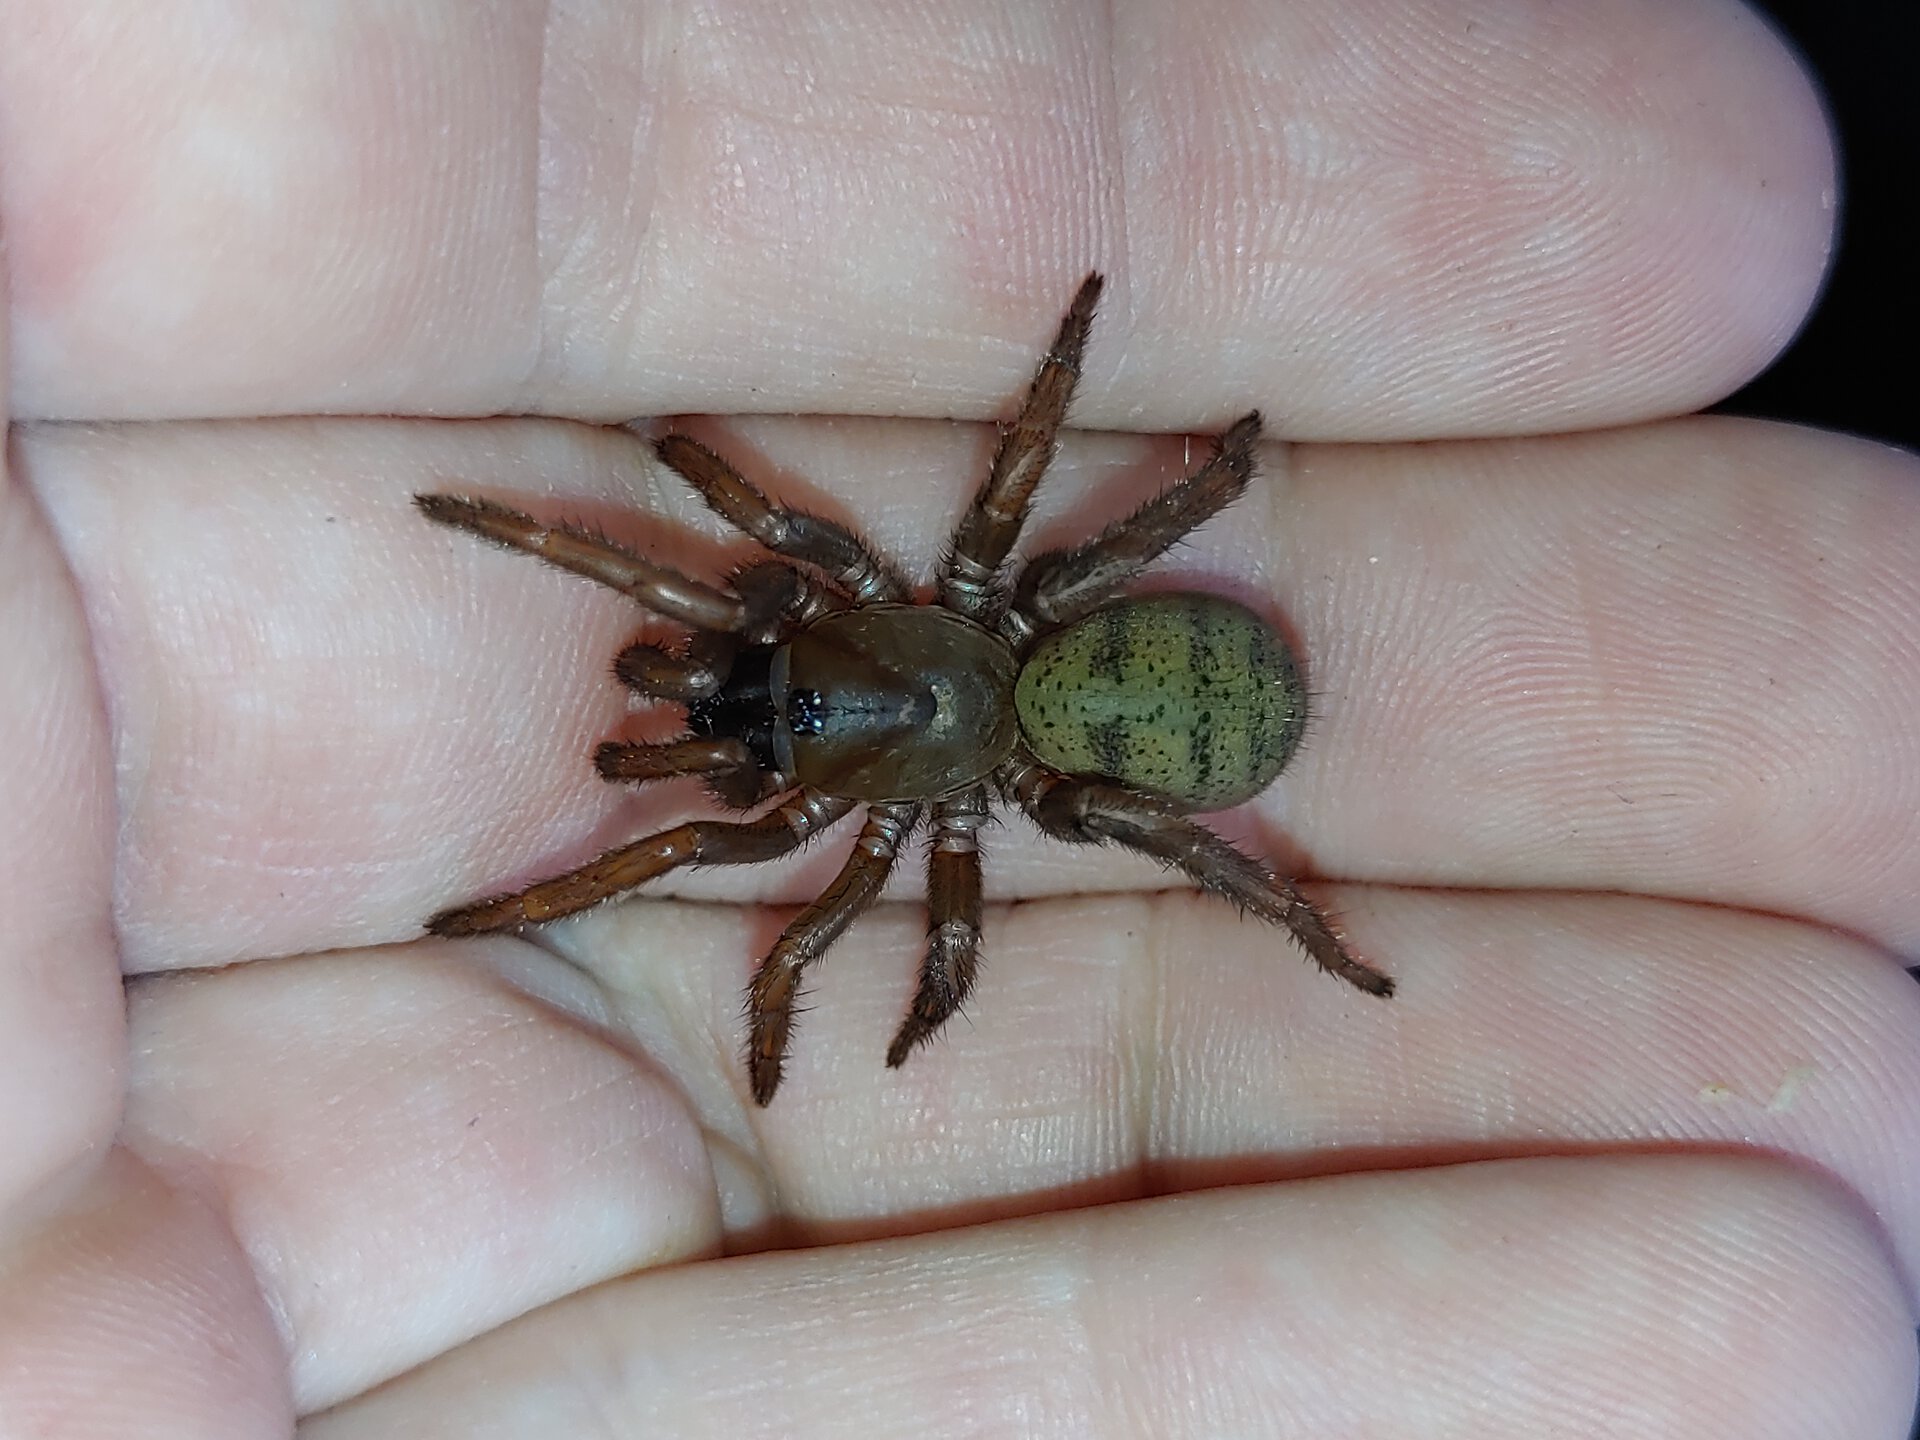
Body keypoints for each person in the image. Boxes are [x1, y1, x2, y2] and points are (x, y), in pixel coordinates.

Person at [1, 3, 1914, 1435]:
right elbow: (821, 809)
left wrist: (852, 968)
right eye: (757, 689)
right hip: (1054, 683)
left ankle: (1307, 936)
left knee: (1116, 829)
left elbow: (828, 894)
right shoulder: (928, 621)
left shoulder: (915, 723)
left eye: (745, 669)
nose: (736, 681)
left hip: (1113, 713)